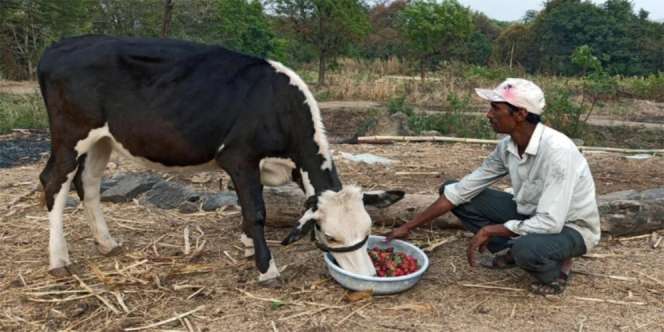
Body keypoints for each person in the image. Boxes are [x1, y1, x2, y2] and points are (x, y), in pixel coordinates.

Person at [385, 78, 600, 295]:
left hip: (569, 227)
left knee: (526, 249)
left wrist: (491, 229)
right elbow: (462, 191)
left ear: (520, 114)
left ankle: (557, 271)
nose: (488, 114)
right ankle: (511, 251)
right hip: (531, 213)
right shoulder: (507, 147)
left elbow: (551, 222)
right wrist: (409, 226)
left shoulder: (558, 151)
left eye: (496, 108)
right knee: (454, 191)